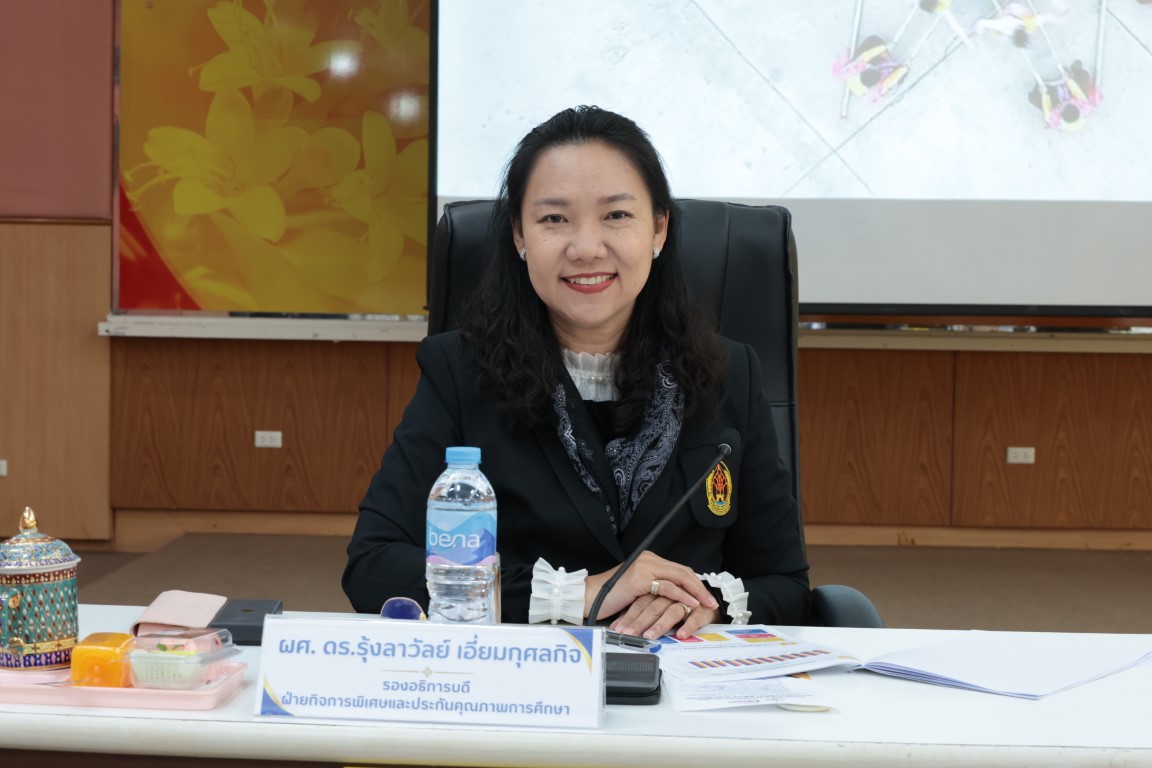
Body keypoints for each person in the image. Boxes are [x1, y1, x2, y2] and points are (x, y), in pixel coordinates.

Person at [342, 106, 811, 640]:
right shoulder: (458, 371)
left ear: (658, 229)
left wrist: (708, 606)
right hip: (522, 672)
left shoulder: (729, 373)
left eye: (617, 215)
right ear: (519, 235)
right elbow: (374, 566)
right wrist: (578, 594)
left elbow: (786, 584)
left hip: (682, 676)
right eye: (554, 219)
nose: (586, 248)